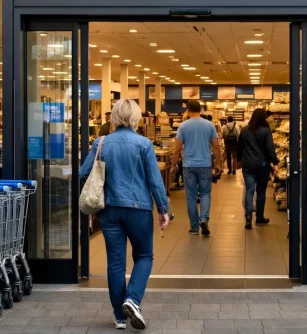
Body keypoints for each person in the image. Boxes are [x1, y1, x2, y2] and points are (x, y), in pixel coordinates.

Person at [80, 99, 171, 331]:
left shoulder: (100, 142)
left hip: (109, 210)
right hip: (138, 209)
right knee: (144, 256)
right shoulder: (144, 144)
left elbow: (83, 174)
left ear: (114, 117)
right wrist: (163, 210)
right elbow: (154, 181)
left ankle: (119, 317)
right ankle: (133, 299)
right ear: (135, 118)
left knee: (116, 263)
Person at [171, 100, 222, 236]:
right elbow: (216, 146)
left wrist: (173, 164)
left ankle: (194, 227)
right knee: (205, 193)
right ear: (200, 110)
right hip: (205, 165)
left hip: (188, 166)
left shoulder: (183, 126)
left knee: (191, 196)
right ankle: (204, 219)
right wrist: (218, 163)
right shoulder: (209, 125)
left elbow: (177, 149)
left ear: (188, 110)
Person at [236, 108, 279, 229]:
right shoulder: (266, 131)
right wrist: (275, 163)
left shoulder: (244, 130)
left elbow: (239, 148)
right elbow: (270, 149)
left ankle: (248, 217)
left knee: (249, 190)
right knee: (261, 191)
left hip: (248, 164)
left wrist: (238, 161)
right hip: (262, 165)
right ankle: (260, 217)